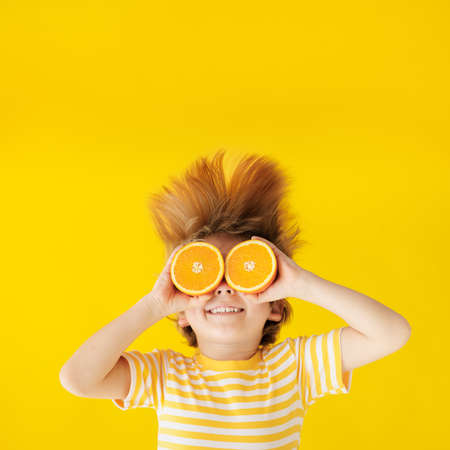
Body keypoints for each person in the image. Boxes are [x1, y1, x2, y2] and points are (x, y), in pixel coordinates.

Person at [59, 149, 411, 449]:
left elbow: (392, 333)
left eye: (242, 275)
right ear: (182, 313)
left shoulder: (295, 367)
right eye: (206, 277)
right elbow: (78, 379)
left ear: (275, 305)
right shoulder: (165, 375)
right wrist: (154, 305)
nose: (223, 288)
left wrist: (302, 283)